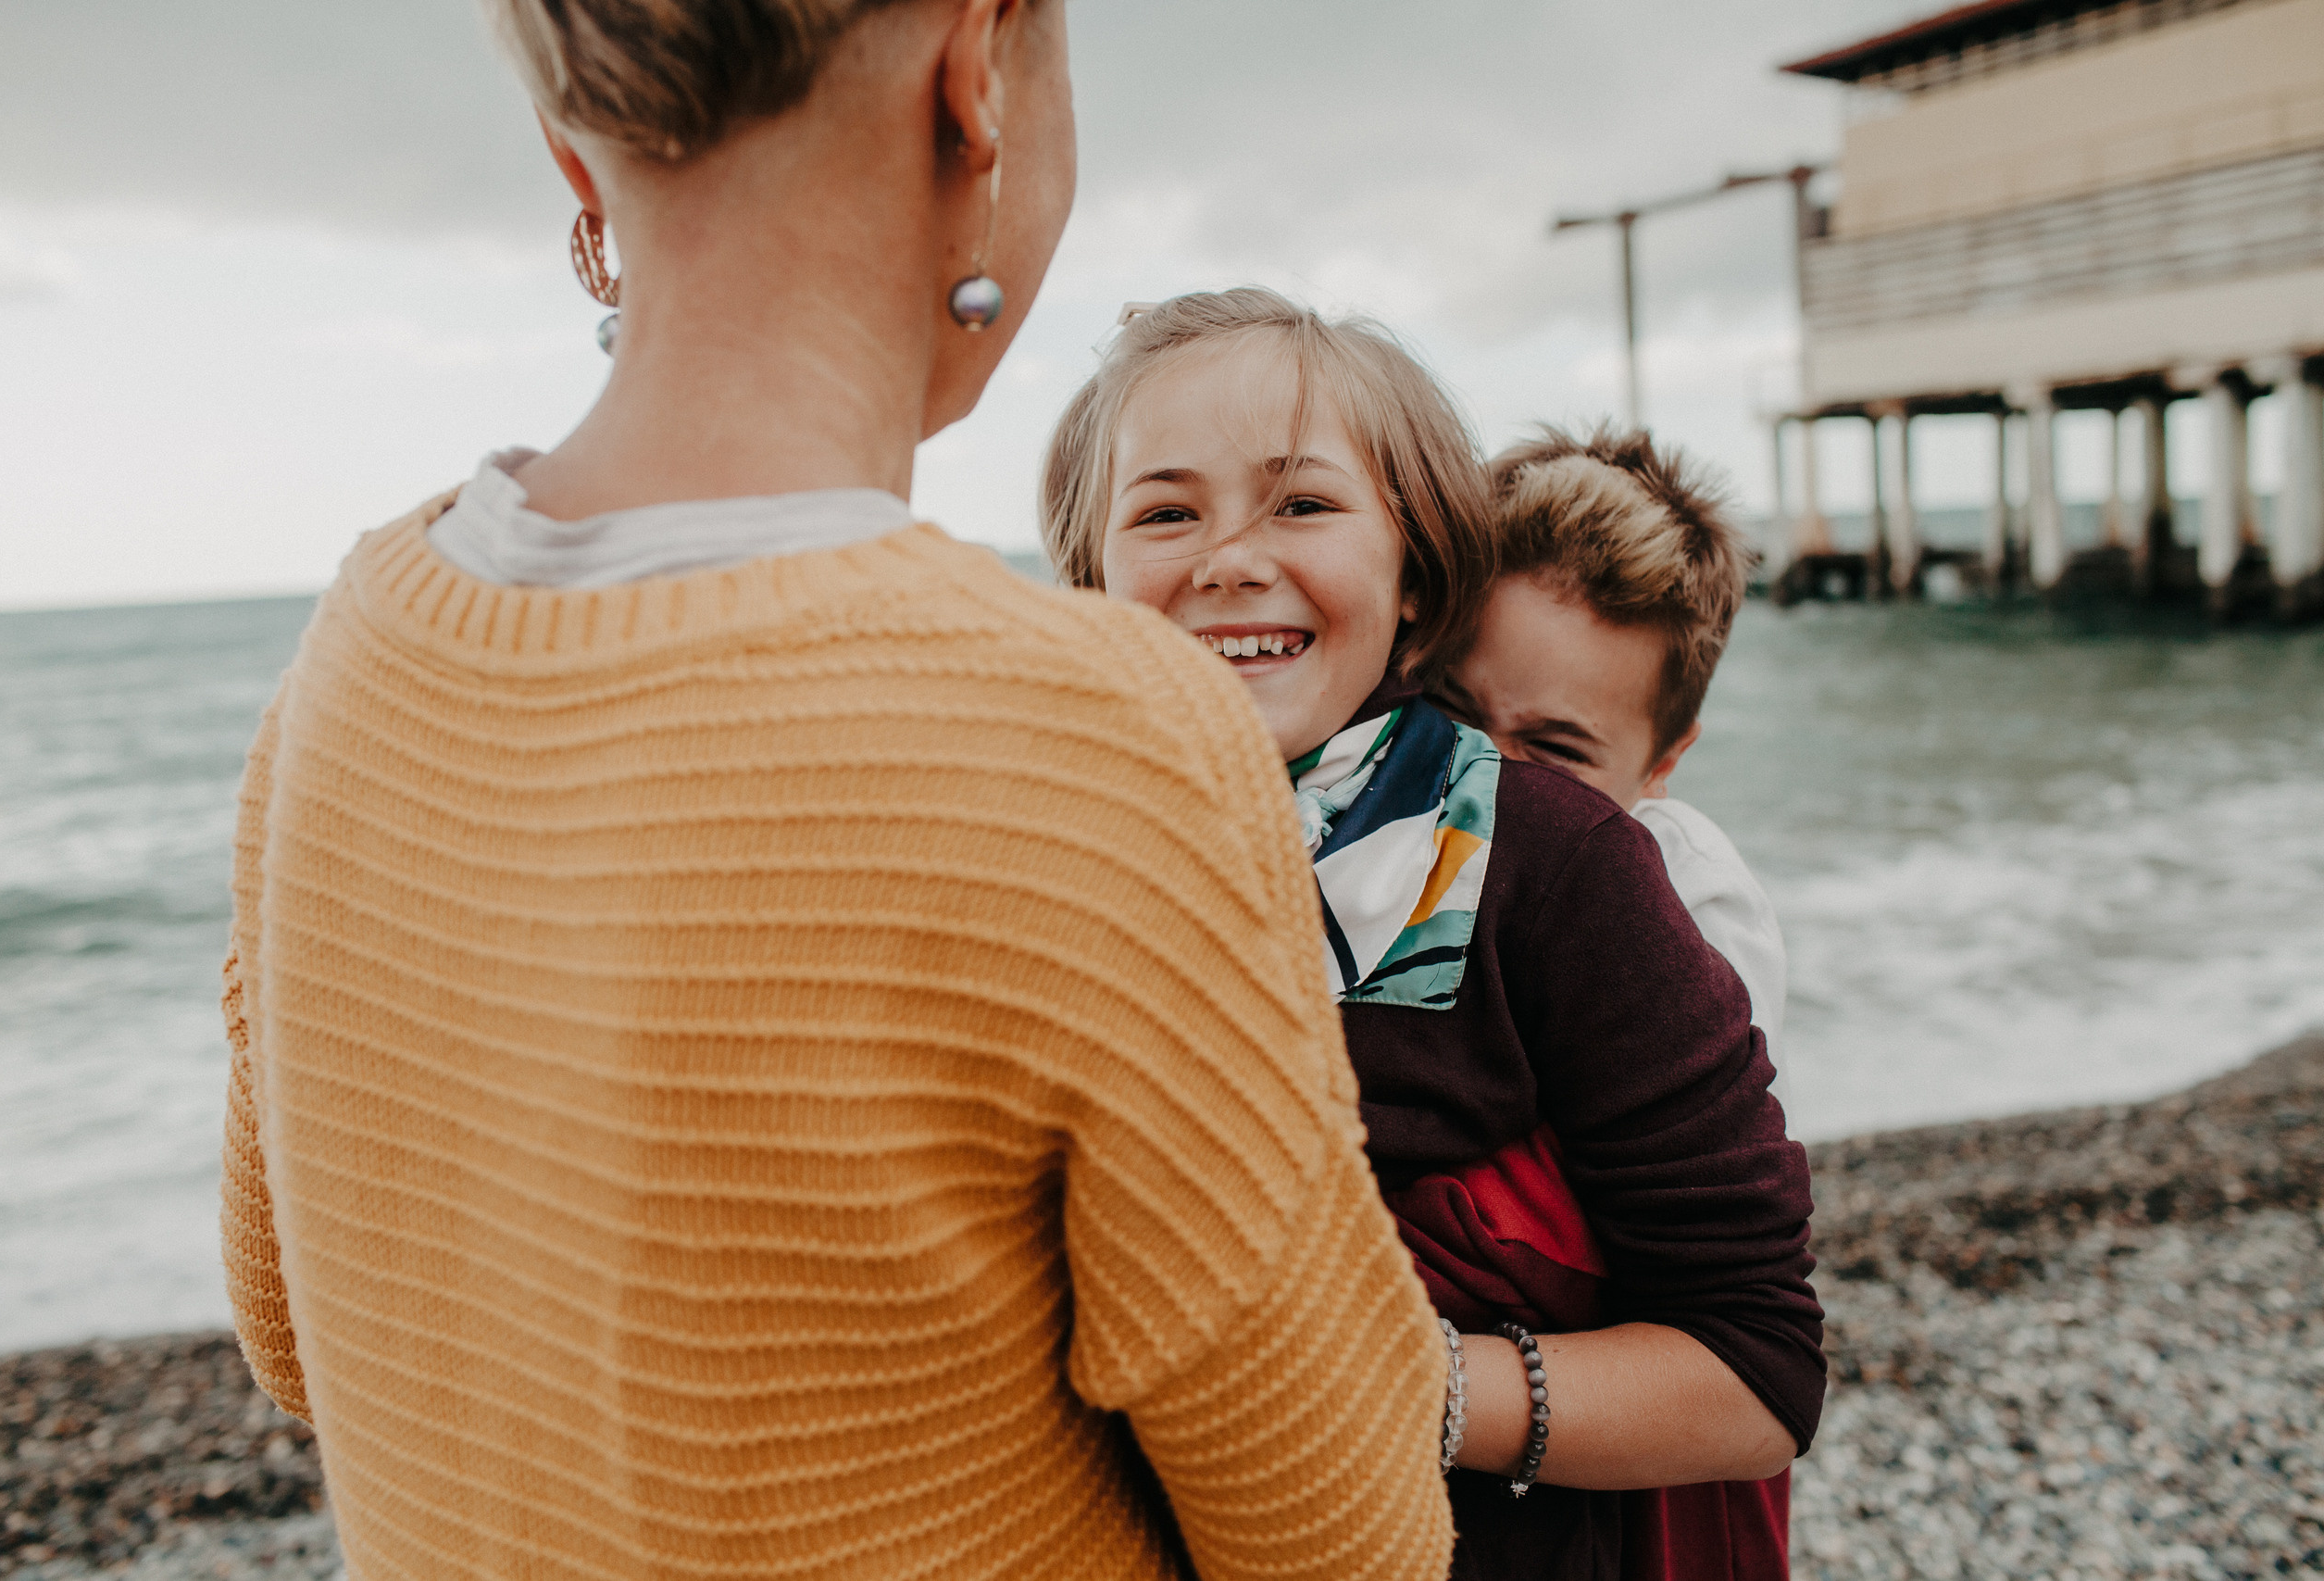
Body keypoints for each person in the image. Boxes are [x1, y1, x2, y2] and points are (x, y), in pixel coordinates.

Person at [216, 8, 1456, 1579]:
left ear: (571, 146)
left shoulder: (350, 660)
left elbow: (300, 1340)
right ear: (979, 77)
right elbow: (1345, 1542)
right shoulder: (1102, 738)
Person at [1042, 288, 1824, 1581]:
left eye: (1301, 503)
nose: (1232, 555)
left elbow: (1757, 1370)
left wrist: (1405, 1382)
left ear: (1418, 581)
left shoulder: (1560, 865)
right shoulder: (1041, 854)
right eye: (1167, 509)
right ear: (1089, 581)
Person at [1442, 425, 1786, 1051]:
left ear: (1664, 761)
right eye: (1449, 707)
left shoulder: (1691, 911)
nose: (1479, 771)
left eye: (1556, 750)